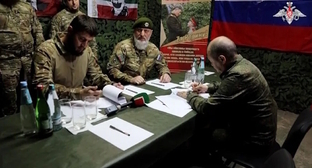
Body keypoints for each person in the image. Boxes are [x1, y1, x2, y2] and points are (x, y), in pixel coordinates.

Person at [177, 36, 277, 154]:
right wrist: (208, 87)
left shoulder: (238, 75)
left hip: (255, 141)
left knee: (201, 132)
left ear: (222, 59)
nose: (214, 66)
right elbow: (231, 86)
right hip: (259, 130)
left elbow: (208, 107)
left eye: (213, 63)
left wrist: (189, 95)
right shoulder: (243, 65)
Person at [33, 15, 123, 100]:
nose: (84, 45)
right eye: (82, 39)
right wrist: (78, 93)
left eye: (89, 41)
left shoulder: (87, 51)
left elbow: (95, 76)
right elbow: (43, 88)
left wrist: (111, 85)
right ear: (70, 30)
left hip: (79, 106)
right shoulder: (46, 51)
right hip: (53, 107)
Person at [0, 0, 44, 116]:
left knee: (32, 95)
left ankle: (33, 124)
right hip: (6, 63)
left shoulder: (26, 7)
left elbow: (37, 31)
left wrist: (40, 55)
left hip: (28, 61)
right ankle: (11, 128)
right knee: (9, 101)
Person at [107, 17, 171, 85]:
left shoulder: (153, 49)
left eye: (146, 31)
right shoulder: (123, 47)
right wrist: (130, 79)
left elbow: (162, 65)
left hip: (142, 86)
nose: (142, 34)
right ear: (134, 32)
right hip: (123, 86)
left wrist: (165, 73)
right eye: (139, 30)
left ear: (151, 33)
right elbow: (112, 69)